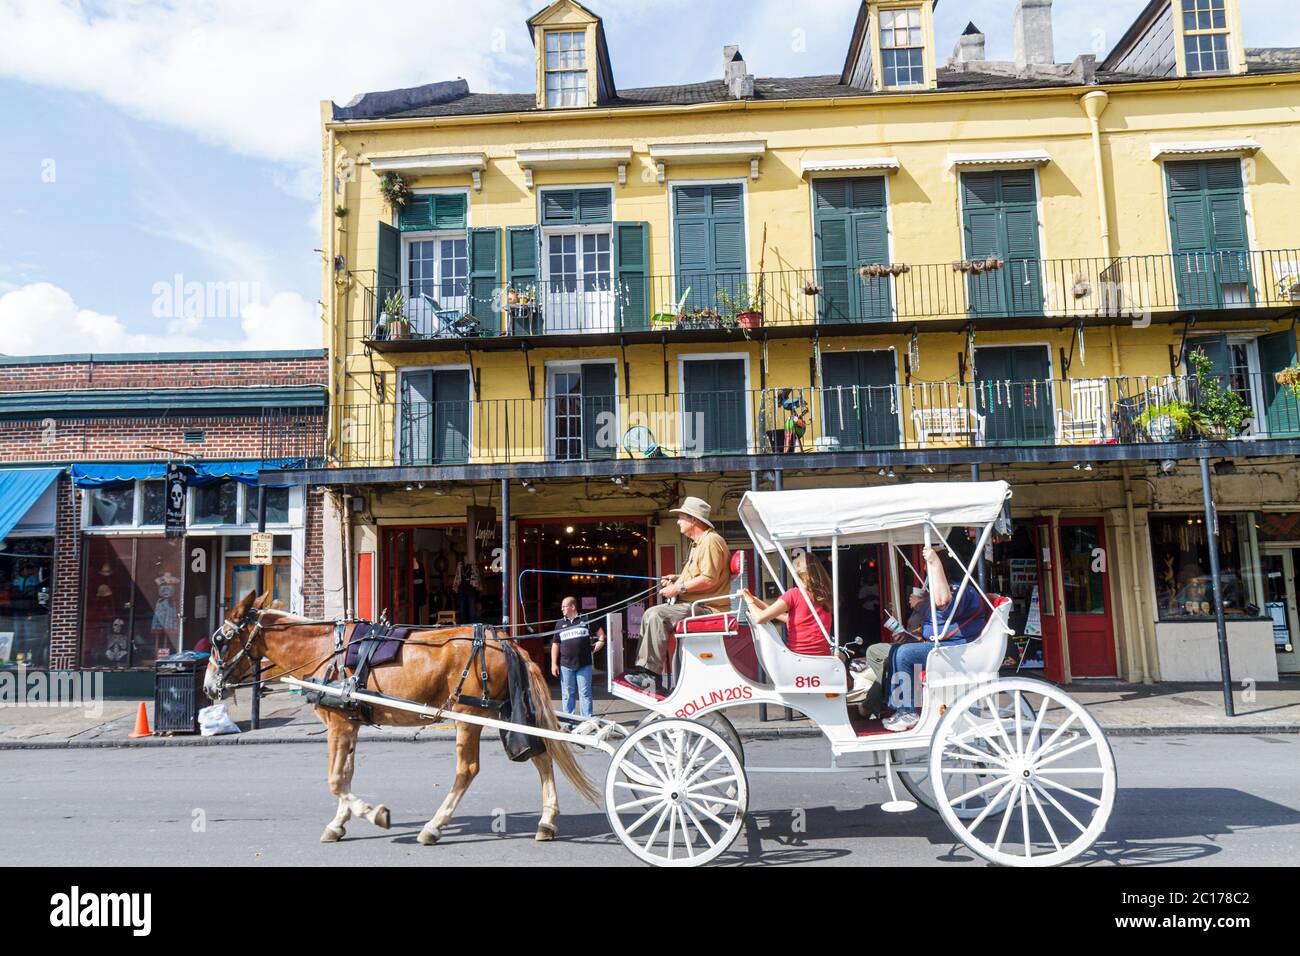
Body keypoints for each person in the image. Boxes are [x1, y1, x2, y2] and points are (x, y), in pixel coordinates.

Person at [622, 497, 730, 693]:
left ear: (693, 520)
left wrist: (678, 589)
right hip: (696, 604)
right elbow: (702, 574)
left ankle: (650, 675)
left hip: (707, 608)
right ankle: (645, 670)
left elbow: (709, 579)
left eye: (681, 517)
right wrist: (678, 578)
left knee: (657, 614)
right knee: (649, 614)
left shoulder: (711, 541)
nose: (678, 521)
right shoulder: (699, 543)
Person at [878, 544, 989, 732]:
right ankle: (898, 706)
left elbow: (943, 603)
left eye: (930, 570)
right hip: (945, 644)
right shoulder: (954, 590)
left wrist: (935, 563)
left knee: (904, 654)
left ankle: (908, 712)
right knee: (896, 650)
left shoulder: (961, 591)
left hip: (958, 649)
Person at [739, 551, 833, 656]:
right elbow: (793, 619)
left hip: (800, 657)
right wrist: (754, 599)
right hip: (823, 657)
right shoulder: (824, 595)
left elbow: (759, 618)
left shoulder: (794, 594)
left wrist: (748, 600)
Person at [551, 595, 605, 718]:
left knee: (585, 693)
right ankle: (569, 720)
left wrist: (600, 642)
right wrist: (553, 664)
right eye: (562, 606)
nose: (562, 609)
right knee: (567, 694)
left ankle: (586, 719)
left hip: (584, 664)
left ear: (573, 606)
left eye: (564, 606)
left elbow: (601, 634)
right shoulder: (559, 624)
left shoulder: (585, 619)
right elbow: (555, 644)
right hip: (566, 665)